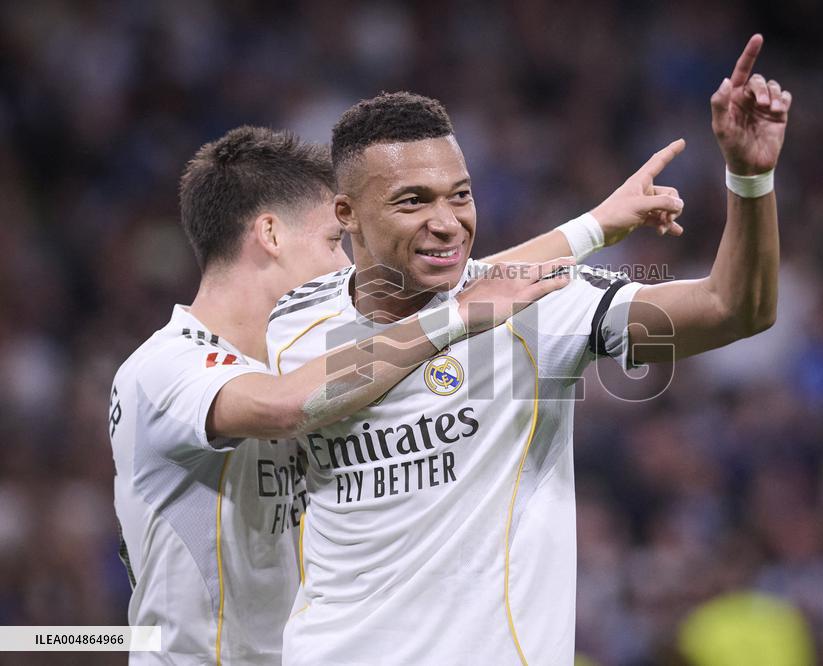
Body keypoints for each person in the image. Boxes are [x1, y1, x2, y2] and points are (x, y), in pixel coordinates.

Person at [267, 34, 790, 665]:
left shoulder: (539, 306)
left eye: (460, 195)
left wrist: (751, 179)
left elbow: (733, 308)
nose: (447, 221)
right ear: (345, 213)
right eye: (413, 201)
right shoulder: (289, 325)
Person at [110, 124, 684, 664]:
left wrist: (595, 227)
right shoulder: (166, 368)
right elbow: (284, 405)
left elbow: (472, 286)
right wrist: (459, 316)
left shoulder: (311, 353)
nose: (346, 262)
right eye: (335, 240)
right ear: (270, 235)